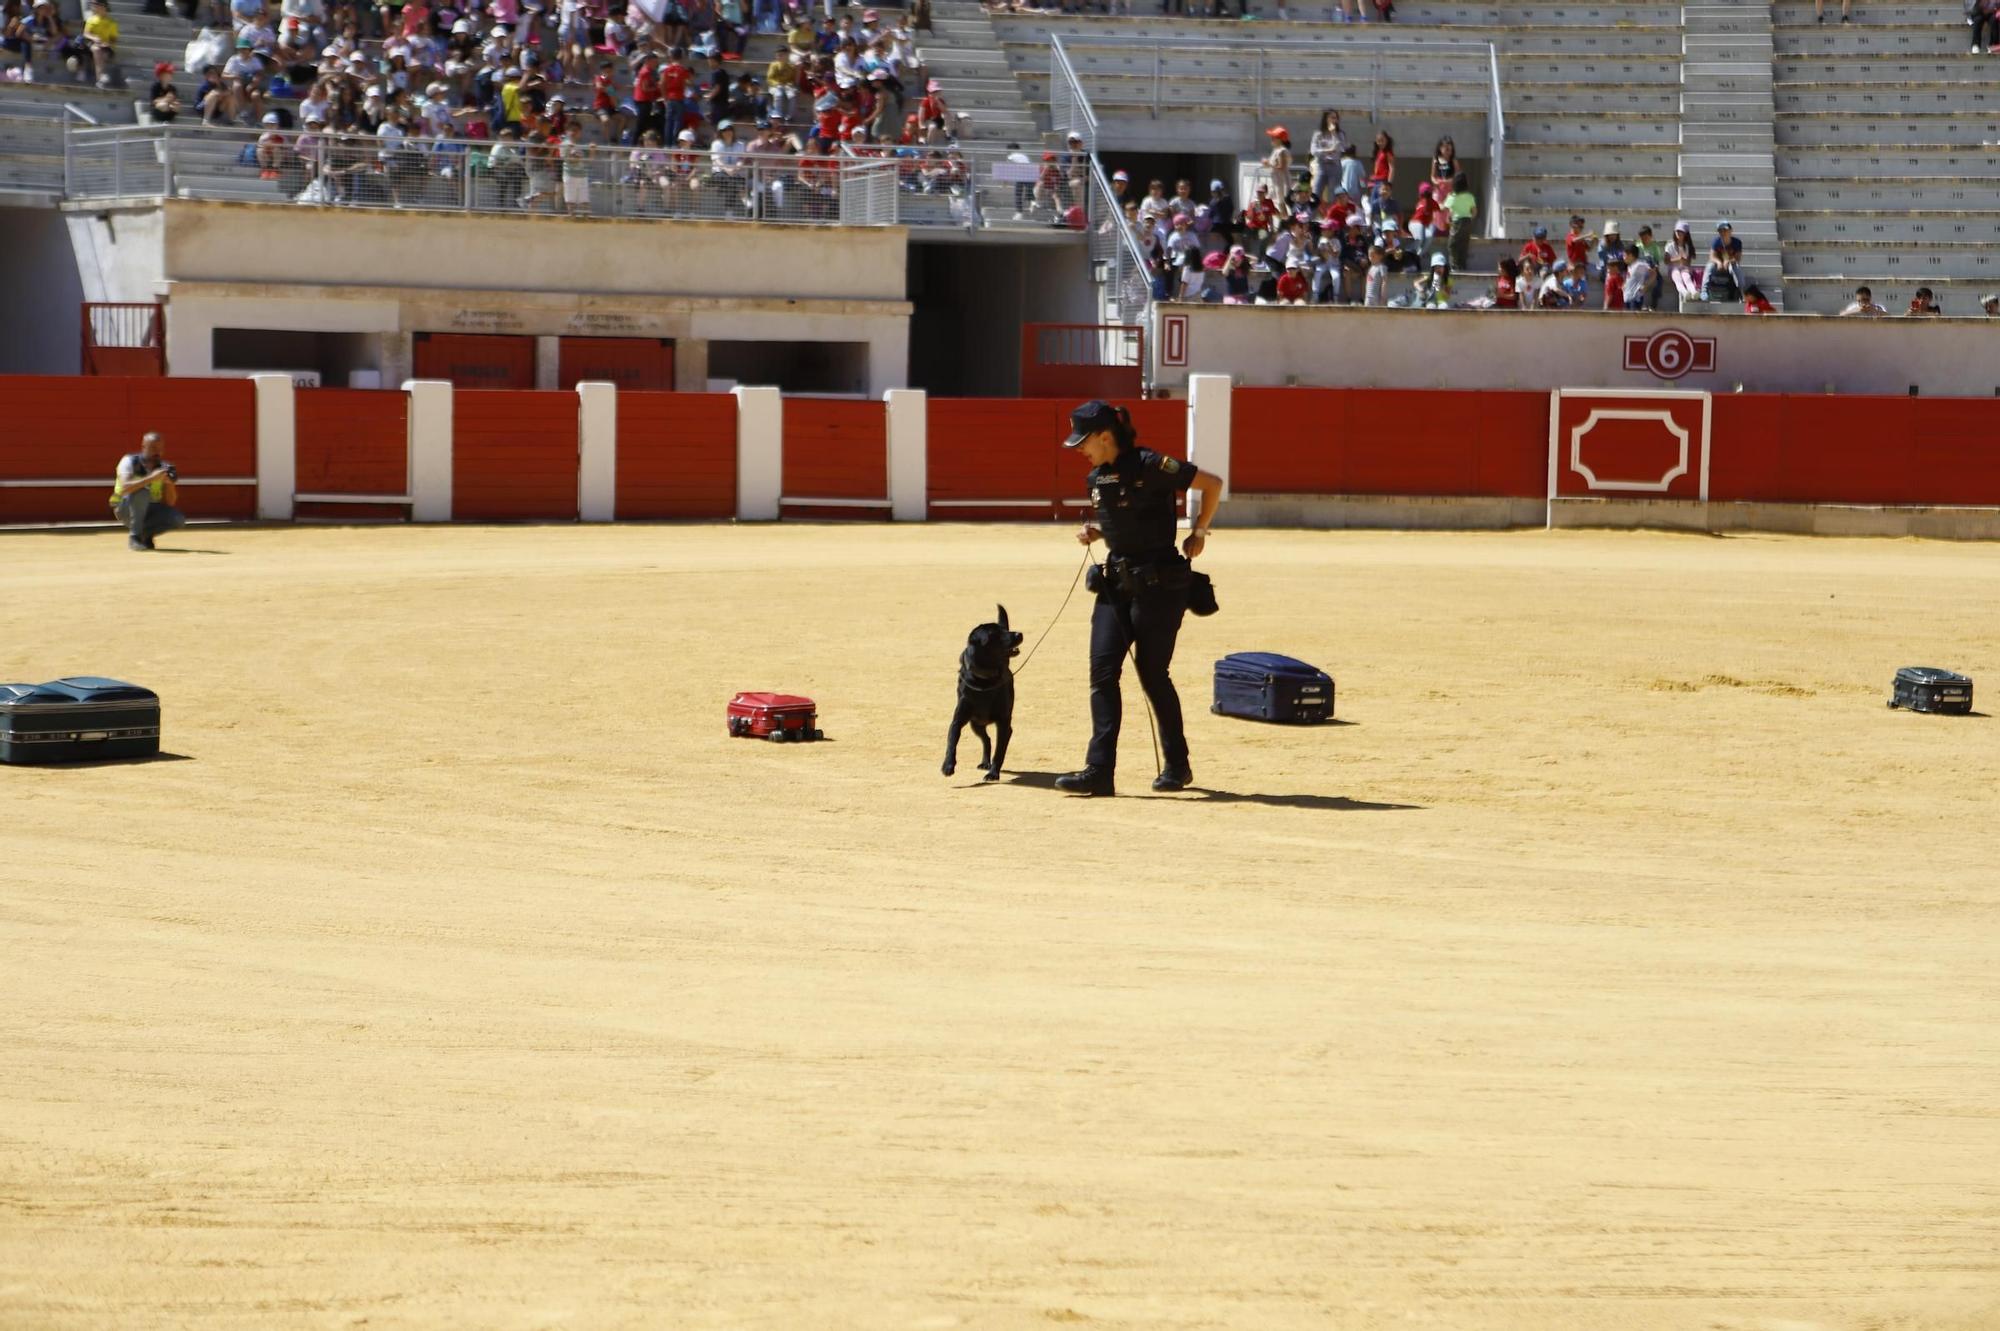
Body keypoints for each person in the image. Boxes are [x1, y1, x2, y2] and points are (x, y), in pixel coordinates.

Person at [1058, 401, 1222, 797]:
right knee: (1102, 673)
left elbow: (1212, 483)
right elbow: (1124, 522)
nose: (1080, 449)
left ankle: (1178, 765)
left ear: (1105, 436)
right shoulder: (1097, 478)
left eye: (1084, 442)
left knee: (1152, 673)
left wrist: (1199, 530)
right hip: (1117, 584)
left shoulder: (1151, 464)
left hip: (1159, 587)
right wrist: (1098, 533)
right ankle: (1099, 771)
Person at [110, 432, 186, 552]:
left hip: (150, 509)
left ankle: (145, 536)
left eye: (160, 449)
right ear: (144, 447)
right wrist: (151, 478)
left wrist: (169, 483)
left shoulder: (163, 467)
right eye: (153, 448)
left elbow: (169, 503)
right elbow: (124, 488)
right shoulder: (129, 461)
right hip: (124, 507)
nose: (157, 452)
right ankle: (134, 537)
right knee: (142, 492)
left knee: (177, 519)